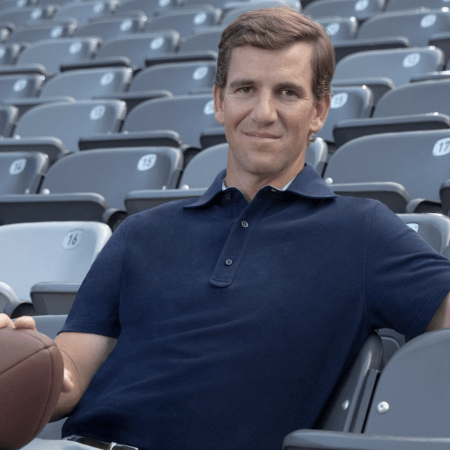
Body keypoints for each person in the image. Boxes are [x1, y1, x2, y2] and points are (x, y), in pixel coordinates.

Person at [2, 5, 450, 450]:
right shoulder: (140, 233)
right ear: (219, 101)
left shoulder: (363, 232)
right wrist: (25, 363)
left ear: (319, 111)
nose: (263, 112)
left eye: (288, 93)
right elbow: (69, 378)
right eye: (245, 89)